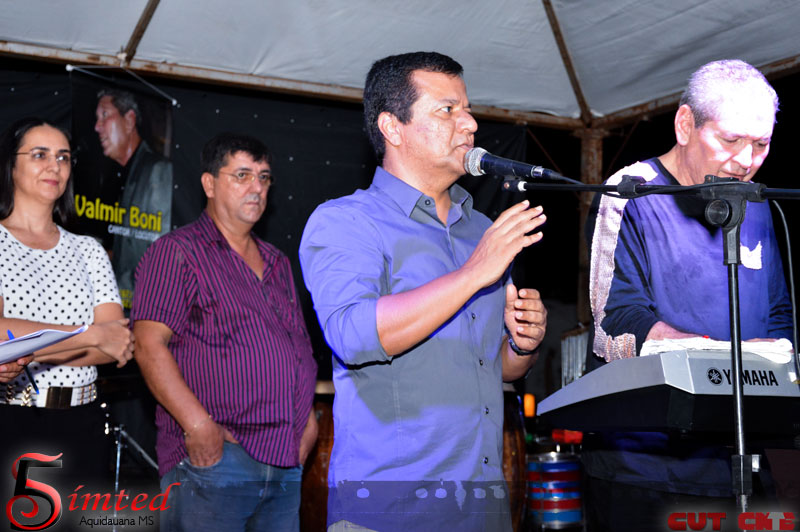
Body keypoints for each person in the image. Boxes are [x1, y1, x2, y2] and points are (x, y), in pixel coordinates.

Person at [299, 51, 547, 531]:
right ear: (392, 127)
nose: (469, 124)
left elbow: (497, 368)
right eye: (447, 110)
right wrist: (473, 273)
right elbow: (352, 335)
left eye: (468, 109)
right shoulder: (345, 221)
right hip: (392, 512)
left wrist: (523, 343)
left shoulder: (481, 230)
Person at [585, 59, 793, 530]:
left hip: (739, 462)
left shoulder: (754, 203)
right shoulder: (630, 193)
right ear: (684, 125)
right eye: (731, 140)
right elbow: (616, 325)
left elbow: (780, 315)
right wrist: (730, 359)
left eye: (761, 144)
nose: (746, 160)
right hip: (644, 465)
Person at [131, 132, 318, 532]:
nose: (257, 187)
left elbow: (296, 349)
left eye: (264, 177)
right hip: (217, 459)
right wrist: (199, 426)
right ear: (209, 184)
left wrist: (308, 423)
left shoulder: (278, 262)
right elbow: (148, 345)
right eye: (242, 175)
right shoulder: (177, 252)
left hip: (285, 459)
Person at [0, 117, 134, 514]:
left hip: (83, 421)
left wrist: (28, 346)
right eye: (39, 155)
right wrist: (89, 334)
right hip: (13, 419)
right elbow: (2, 334)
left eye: (63, 157)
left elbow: (115, 345)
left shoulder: (88, 249)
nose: (54, 166)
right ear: (11, 165)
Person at [93, 89, 173, 310]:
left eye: (104, 115)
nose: (97, 127)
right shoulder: (125, 172)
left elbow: (159, 255)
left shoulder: (157, 171)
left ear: (129, 120)